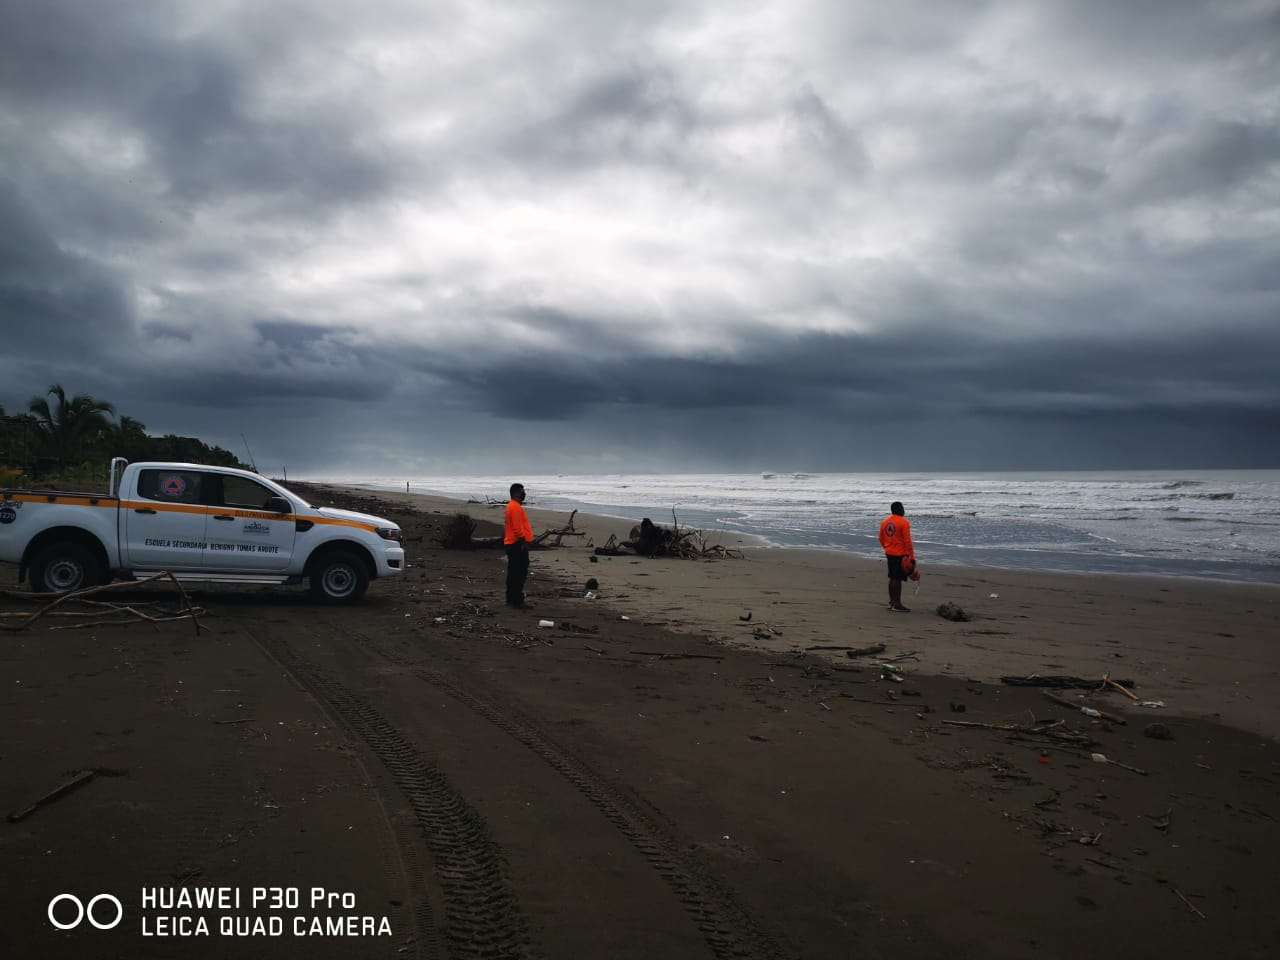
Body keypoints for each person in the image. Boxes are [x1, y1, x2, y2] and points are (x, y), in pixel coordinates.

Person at [878, 501, 917, 613]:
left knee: (892, 577)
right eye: (902, 508)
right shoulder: (904, 522)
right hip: (900, 554)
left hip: (889, 553)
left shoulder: (885, 522)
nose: (904, 510)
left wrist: (886, 547)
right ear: (899, 509)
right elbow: (907, 541)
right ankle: (897, 604)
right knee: (897, 579)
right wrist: (911, 557)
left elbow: (880, 538)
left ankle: (892, 602)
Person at [504, 483, 534, 607]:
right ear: (516, 493)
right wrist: (523, 541)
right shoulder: (515, 507)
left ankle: (511, 599)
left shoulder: (512, 506)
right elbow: (517, 528)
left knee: (514, 572)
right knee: (519, 573)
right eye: (522, 491)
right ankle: (516, 600)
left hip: (514, 543)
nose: (524, 494)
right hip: (516, 544)